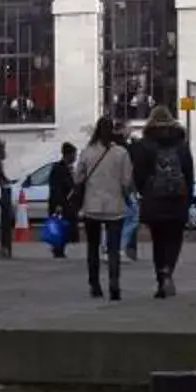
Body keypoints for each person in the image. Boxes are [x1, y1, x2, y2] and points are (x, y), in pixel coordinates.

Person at [134, 106, 196, 299]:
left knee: (158, 240)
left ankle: (161, 276)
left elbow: (139, 174)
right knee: (175, 238)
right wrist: (188, 197)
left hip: (154, 199)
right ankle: (169, 269)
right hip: (177, 199)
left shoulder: (145, 144)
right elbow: (188, 172)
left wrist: (144, 191)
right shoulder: (181, 144)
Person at [75, 118, 133, 299]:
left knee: (92, 247)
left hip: (92, 206)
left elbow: (78, 179)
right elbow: (126, 182)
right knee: (113, 249)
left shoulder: (87, 152)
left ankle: (95, 285)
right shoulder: (121, 153)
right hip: (115, 206)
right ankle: (114, 284)